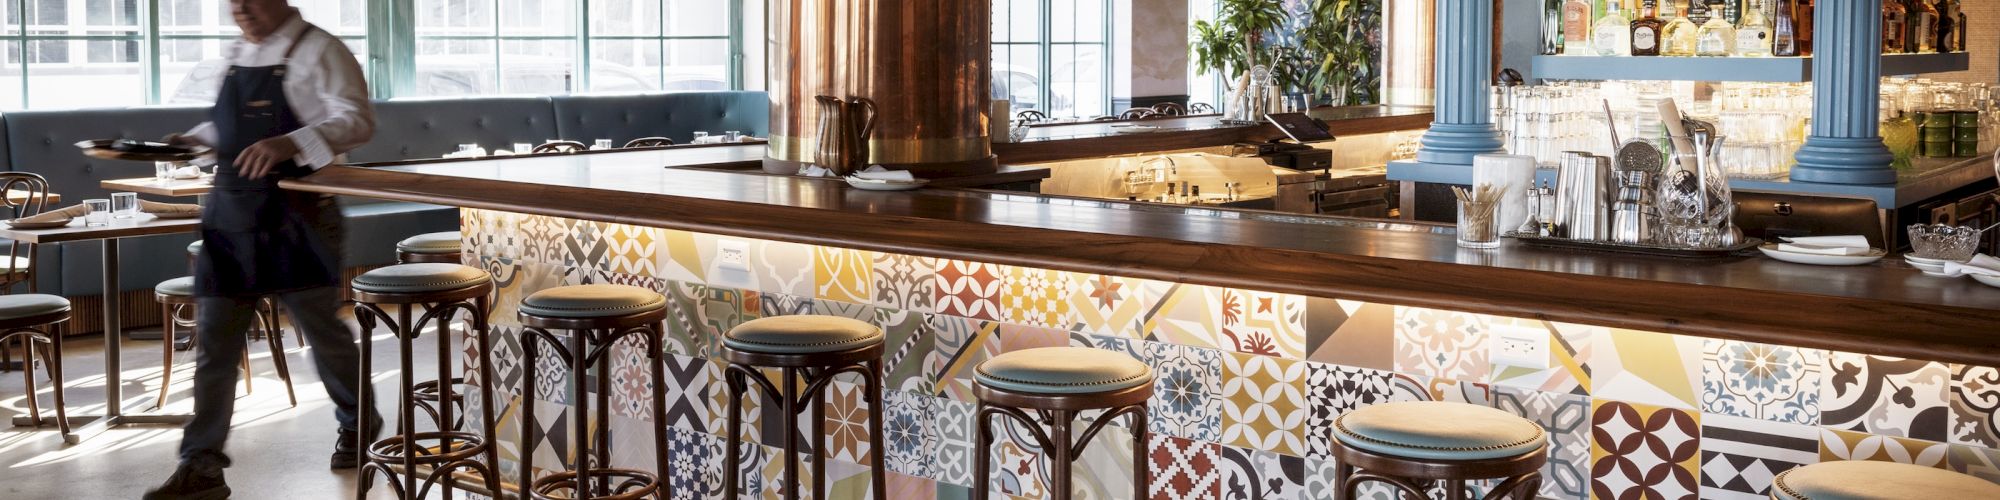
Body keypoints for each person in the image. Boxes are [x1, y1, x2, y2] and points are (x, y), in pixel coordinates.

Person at [145, 0, 376, 498]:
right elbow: (226, 130)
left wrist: (292, 142)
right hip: (228, 218)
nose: (241, 10)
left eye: (250, 0)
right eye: (233, 3)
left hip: (298, 215)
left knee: (322, 334)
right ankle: (201, 465)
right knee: (216, 348)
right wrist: (191, 141)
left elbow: (358, 122)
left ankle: (359, 425)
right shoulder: (236, 51)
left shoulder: (320, 49)